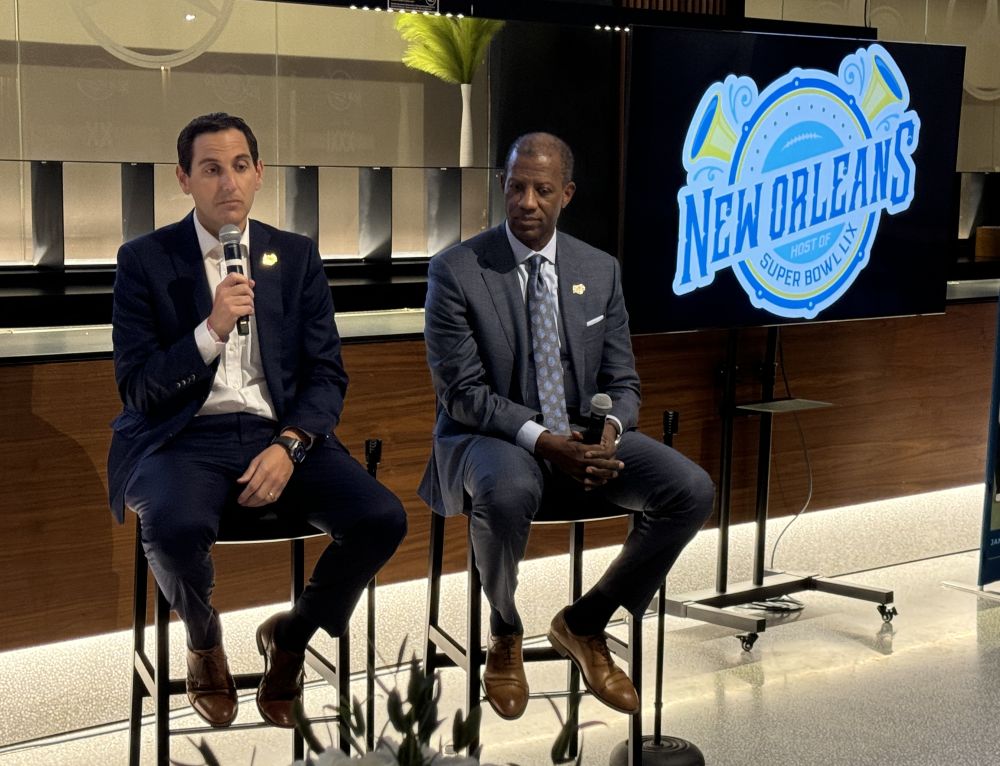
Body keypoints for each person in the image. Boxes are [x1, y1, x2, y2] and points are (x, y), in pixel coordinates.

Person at [107, 112, 407, 730]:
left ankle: (291, 637)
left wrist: (292, 444)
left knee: (382, 517)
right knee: (172, 525)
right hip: (182, 436)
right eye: (211, 169)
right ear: (184, 179)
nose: (228, 184)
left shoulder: (293, 256)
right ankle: (204, 640)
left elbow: (327, 374)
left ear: (260, 173)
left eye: (240, 166)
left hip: (279, 432)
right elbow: (139, 389)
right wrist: (210, 331)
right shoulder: (145, 260)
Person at [419, 132, 714, 720]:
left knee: (691, 491)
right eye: (517, 186)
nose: (527, 201)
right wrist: (542, 440)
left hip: (583, 435)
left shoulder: (598, 269)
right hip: (494, 437)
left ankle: (586, 622)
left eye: (543, 189)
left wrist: (607, 435)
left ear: (567, 194)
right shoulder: (457, 270)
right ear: (503, 185)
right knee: (507, 492)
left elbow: (624, 381)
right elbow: (462, 394)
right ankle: (504, 632)